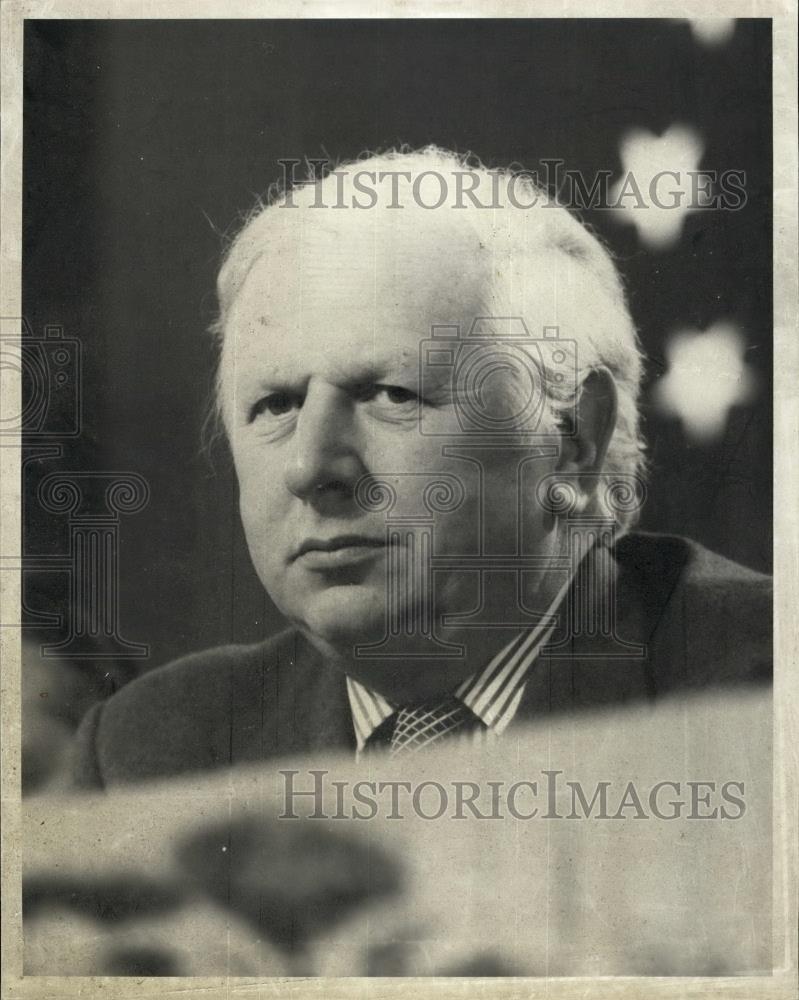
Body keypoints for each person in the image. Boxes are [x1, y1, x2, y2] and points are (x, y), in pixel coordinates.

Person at [68, 147, 771, 787]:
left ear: (574, 439)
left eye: (391, 395)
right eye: (276, 404)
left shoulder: (767, 696)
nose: (311, 468)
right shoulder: (149, 752)